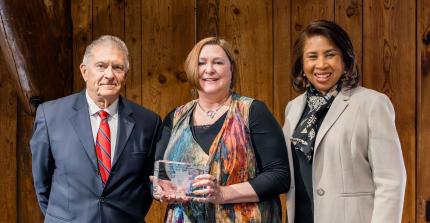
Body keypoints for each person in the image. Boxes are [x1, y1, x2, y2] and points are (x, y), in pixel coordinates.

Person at [154, 37, 290, 222]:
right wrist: (161, 191)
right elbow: (159, 174)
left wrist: (223, 194)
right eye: (201, 63)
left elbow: (279, 176)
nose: (209, 69)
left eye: (218, 62)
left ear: (231, 69)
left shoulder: (252, 112)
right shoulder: (175, 118)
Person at [283, 20, 406, 223]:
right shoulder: (293, 108)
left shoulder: (372, 104)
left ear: (345, 60)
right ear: (302, 65)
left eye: (330, 54)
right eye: (312, 56)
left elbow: (391, 181)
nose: (321, 64)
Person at [30, 35, 161, 222]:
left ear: (125, 75)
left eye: (117, 67)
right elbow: (42, 182)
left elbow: (147, 184)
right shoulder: (50, 115)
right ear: (84, 71)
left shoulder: (148, 122)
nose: (109, 75)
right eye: (101, 66)